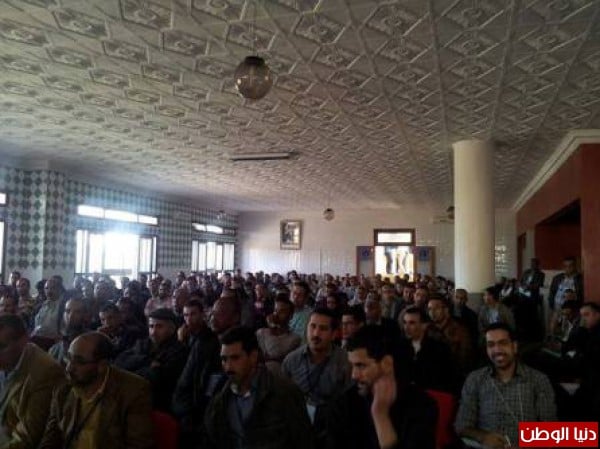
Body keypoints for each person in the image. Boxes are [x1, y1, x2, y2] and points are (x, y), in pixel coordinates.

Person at [38, 332, 154, 449]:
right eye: (68, 358)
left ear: (102, 366)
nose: (69, 368)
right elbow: (51, 438)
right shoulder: (64, 386)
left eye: (79, 362)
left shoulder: (133, 391)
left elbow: (138, 445)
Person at [204, 326, 314, 449]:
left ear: (253, 356)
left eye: (235, 358)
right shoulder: (220, 395)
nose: (228, 366)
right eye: (224, 359)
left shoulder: (283, 394)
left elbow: (303, 440)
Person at [328, 325, 437, 449]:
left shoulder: (422, 406)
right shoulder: (343, 405)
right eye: (352, 366)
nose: (354, 375)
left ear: (387, 363)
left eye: (361, 366)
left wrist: (380, 415)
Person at [455, 323, 556, 448]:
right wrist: (483, 437)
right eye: (491, 345)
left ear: (514, 347)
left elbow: (551, 430)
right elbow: (462, 426)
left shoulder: (538, 380)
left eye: (503, 343)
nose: (497, 350)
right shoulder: (475, 379)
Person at [281, 308, 351, 446]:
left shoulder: (345, 362)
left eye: (323, 329)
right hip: (297, 424)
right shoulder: (291, 360)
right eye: (312, 326)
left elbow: (349, 403)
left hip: (331, 427)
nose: (316, 333)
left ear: (334, 334)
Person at [0, 315, 65, 448]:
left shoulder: (45, 373)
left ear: (23, 340)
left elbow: (26, 439)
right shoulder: (7, 360)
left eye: (2, 346)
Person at [115, 308, 188, 413]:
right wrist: (147, 361)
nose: (153, 332)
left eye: (159, 326)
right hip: (132, 398)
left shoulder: (179, 350)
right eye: (151, 326)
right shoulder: (142, 344)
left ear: (172, 329)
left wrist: (131, 370)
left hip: (158, 404)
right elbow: (119, 362)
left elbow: (156, 378)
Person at [256, 294, 301, 374]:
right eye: (275, 310)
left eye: (282, 312)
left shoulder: (294, 339)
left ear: (290, 316)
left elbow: (274, 354)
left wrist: (272, 326)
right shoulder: (261, 332)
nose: (276, 314)